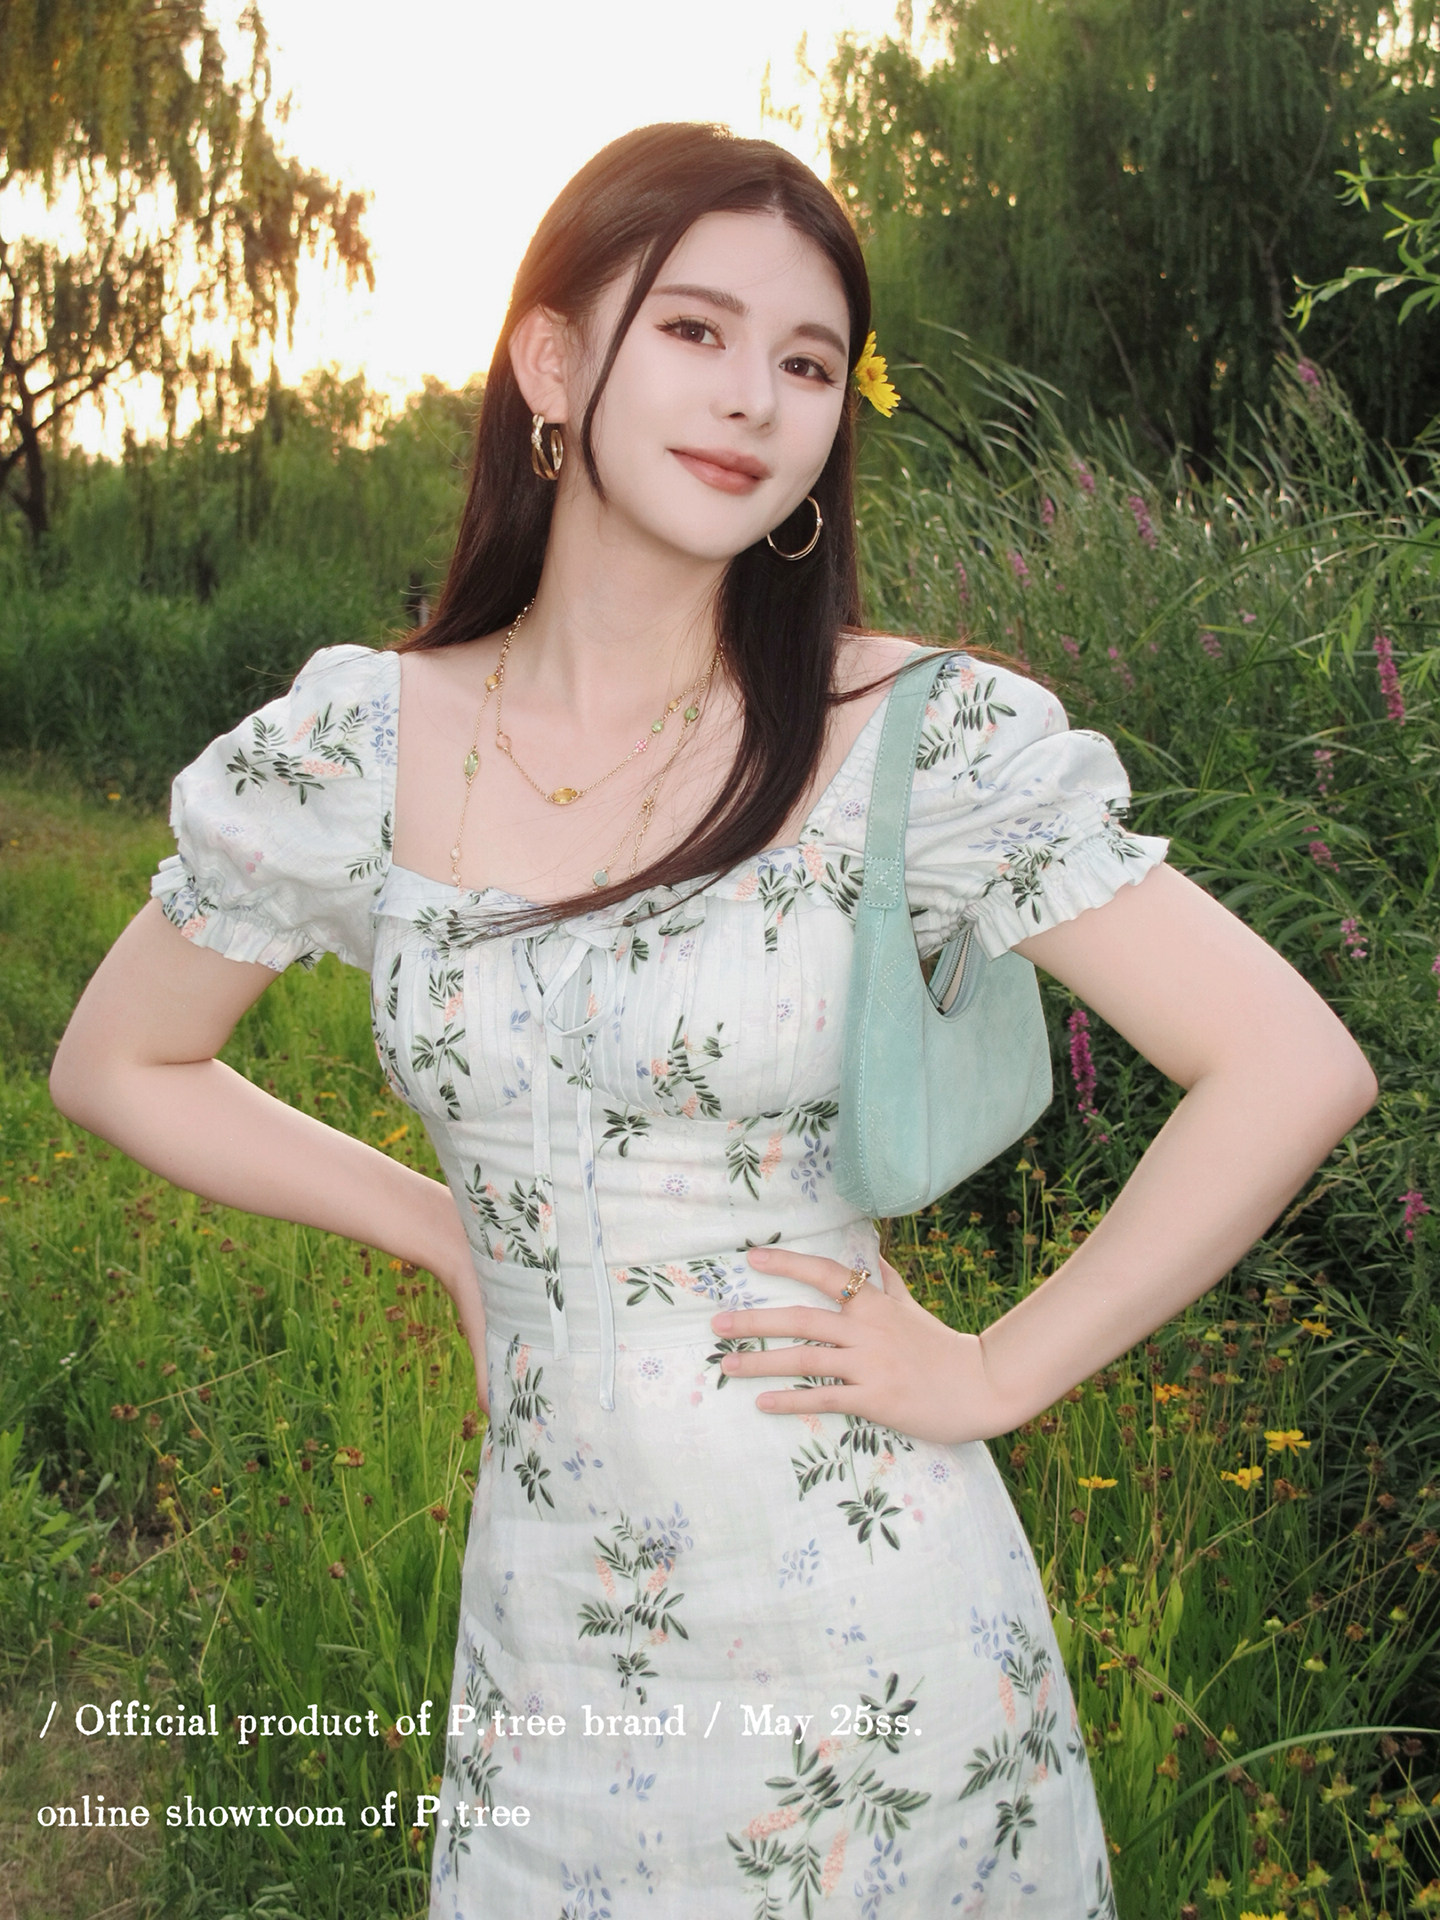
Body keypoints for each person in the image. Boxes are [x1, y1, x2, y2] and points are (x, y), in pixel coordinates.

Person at [49, 122, 1376, 1919]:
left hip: (873, 1643)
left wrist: (995, 1373)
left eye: (810, 361)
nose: (755, 395)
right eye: (694, 329)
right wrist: (437, 1226)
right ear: (550, 362)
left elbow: (1290, 1064)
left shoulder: (913, 738)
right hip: (553, 1641)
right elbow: (121, 1061)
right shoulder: (362, 742)